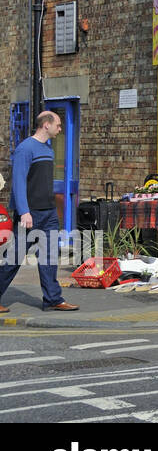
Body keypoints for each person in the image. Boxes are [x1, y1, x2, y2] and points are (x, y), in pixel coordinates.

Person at [0, 111, 79, 313]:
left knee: (50, 258)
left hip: (49, 213)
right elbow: (18, 182)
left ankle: (53, 299)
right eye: (58, 125)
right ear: (46, 124)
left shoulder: (48, 149)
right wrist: (24, 211)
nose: (60, 129)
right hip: (30, 214)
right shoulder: (25, 149)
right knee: (14, 258)